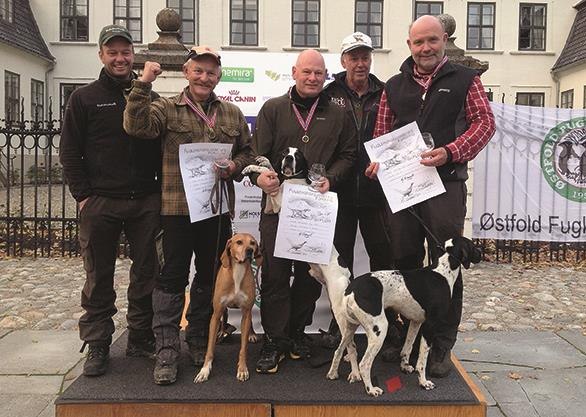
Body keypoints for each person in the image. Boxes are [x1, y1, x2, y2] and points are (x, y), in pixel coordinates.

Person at [366, 15, 495, 377]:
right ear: (409, 45)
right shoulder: (393, 85)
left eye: (432, 41)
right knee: (403, 261)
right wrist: (376, 162)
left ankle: (440, 345)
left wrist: (451, 151)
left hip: (446, 185)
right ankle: (400, 337)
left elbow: (485, 124)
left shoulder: (466, 79)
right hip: (404, 189)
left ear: (444, 40)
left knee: (447, 265)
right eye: (419, 42)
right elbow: (380, 134)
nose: (425, 48)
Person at [123, 46, 254, 385]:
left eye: (211, 72)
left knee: (210, 278)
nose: (204, 77)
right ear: (186, 72)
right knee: (171, 278)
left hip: (216, 211)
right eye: (199, 70)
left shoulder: (231, 113)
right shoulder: (166, 108)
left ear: (218, 76)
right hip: (177, 210)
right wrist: (142, 85)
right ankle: (167, 349)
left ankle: (198, 338)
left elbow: (248, 151)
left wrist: (235, 166)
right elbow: (137, 128)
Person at [60, 24, 162, 377]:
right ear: (101, 55)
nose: (120, 58)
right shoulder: (84, 98)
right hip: (101, 201)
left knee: (147, 273)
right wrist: (84, 196)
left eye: (125, 51)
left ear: (133, 54)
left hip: (145, 201)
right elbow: (70, 151)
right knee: (98, 276)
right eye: (112, 52)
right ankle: (98, 343)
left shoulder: (150, 96)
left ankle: (140, 336)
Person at [251, 49, 356, 374]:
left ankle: (296, 333)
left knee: (312, 278)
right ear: (295, 72)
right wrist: (261, 176)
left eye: (318, 73)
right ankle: (275, 339)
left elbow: (350, 154)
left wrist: (332, 178)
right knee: (275, 275)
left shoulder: (339, 113)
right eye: (306, 72)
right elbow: (258, 155)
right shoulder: (272, 109)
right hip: (277, 206)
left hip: (316, 209)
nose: (312, 78)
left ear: (325, 76)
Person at [320, 32, 392, 347]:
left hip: (378, 194)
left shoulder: (386, 92)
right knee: (340, 263)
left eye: (365, 57)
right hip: (340, 194)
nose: (360, 63)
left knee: (383, 260)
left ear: (370, 59)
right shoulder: (328, 92)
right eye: (354, 57)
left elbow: (398, 136)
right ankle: (342, 323)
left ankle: (387, 323)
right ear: (343, 61)